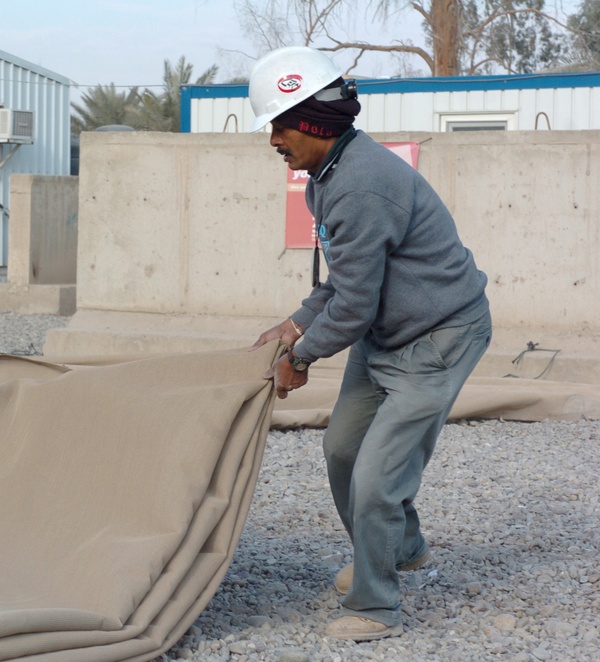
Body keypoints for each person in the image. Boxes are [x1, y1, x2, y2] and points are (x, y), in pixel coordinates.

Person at [248, 47, 492, 641]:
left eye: (279, 126)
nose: (273, 140)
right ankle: (402, 549)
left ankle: (376, 605)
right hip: (388, 333)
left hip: (438, 339)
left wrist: (299, 359)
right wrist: (296, 322)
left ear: (311, 121)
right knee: (343, 451)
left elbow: (355, 305)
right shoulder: (329, 176)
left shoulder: (361, 185)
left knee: (379, 478)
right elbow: (350, 280)